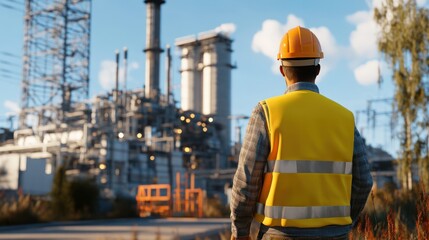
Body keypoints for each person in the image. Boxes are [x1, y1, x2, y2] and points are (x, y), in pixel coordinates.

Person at [230, 26, 373, 240]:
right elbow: (363, 182)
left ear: (281, 69)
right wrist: (343, 223)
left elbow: (246, 183)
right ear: (318, 69)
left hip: (279, 235)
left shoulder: (266, 113)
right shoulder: (345, 117)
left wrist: (240, 232)